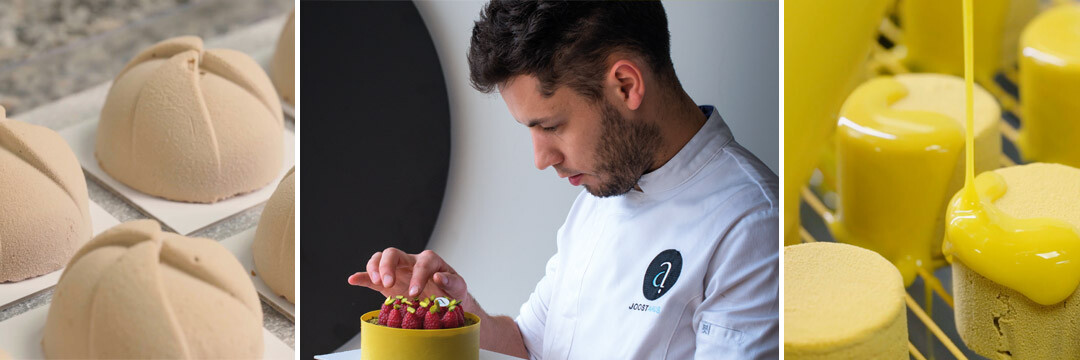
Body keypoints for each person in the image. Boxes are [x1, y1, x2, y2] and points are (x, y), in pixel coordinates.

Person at [348, 1, 778, 358]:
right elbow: (531, 346)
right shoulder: (600, 193)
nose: (541, 159)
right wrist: (450, 312)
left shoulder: (752, 227)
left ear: (626, 86)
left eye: (551, 126)